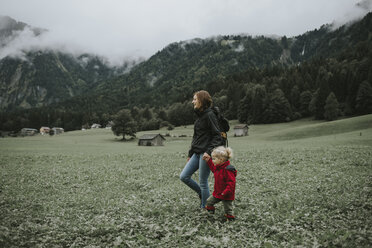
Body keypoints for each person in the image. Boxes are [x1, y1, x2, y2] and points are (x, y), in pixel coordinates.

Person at [180, 90, 225, 208]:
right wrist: (190, 154)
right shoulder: (199, 117)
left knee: (203, 182)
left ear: (201, 100)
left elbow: (217, 136)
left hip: (206, 154)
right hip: (196, 153)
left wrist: (208, 152)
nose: (192, 101)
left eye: (195, 99)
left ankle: (207, 208)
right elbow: (196, 137)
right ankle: (202, 194)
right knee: (184, 176)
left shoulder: (210, 115)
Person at [203, 146, 237, 221]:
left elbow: (231, 183)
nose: (213, 160)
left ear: (221, 160)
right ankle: (210, 214)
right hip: (218, 192)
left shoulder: (228, 170)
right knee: (209, 202)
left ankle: (230, 220)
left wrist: (226, 191)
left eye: (214, 159)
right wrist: (208, 161)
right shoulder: (218, 167)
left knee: (228, 209)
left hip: (226, 194)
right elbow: (213, 168)